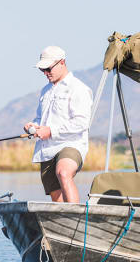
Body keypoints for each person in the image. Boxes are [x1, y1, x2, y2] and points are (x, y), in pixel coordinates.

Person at [24, 46, 93, 203]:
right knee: (55, 194)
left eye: (48, 68)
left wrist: (51, 131)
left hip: (71, 144)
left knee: (63, 173)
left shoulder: (78, 88)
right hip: (47, 149)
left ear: (62, 62)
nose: (46, 73)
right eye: (42, 70)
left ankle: (77, 217)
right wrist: (32, 126)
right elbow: (40, 118)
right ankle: (63, 224)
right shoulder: (45, 91)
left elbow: (81, 123)